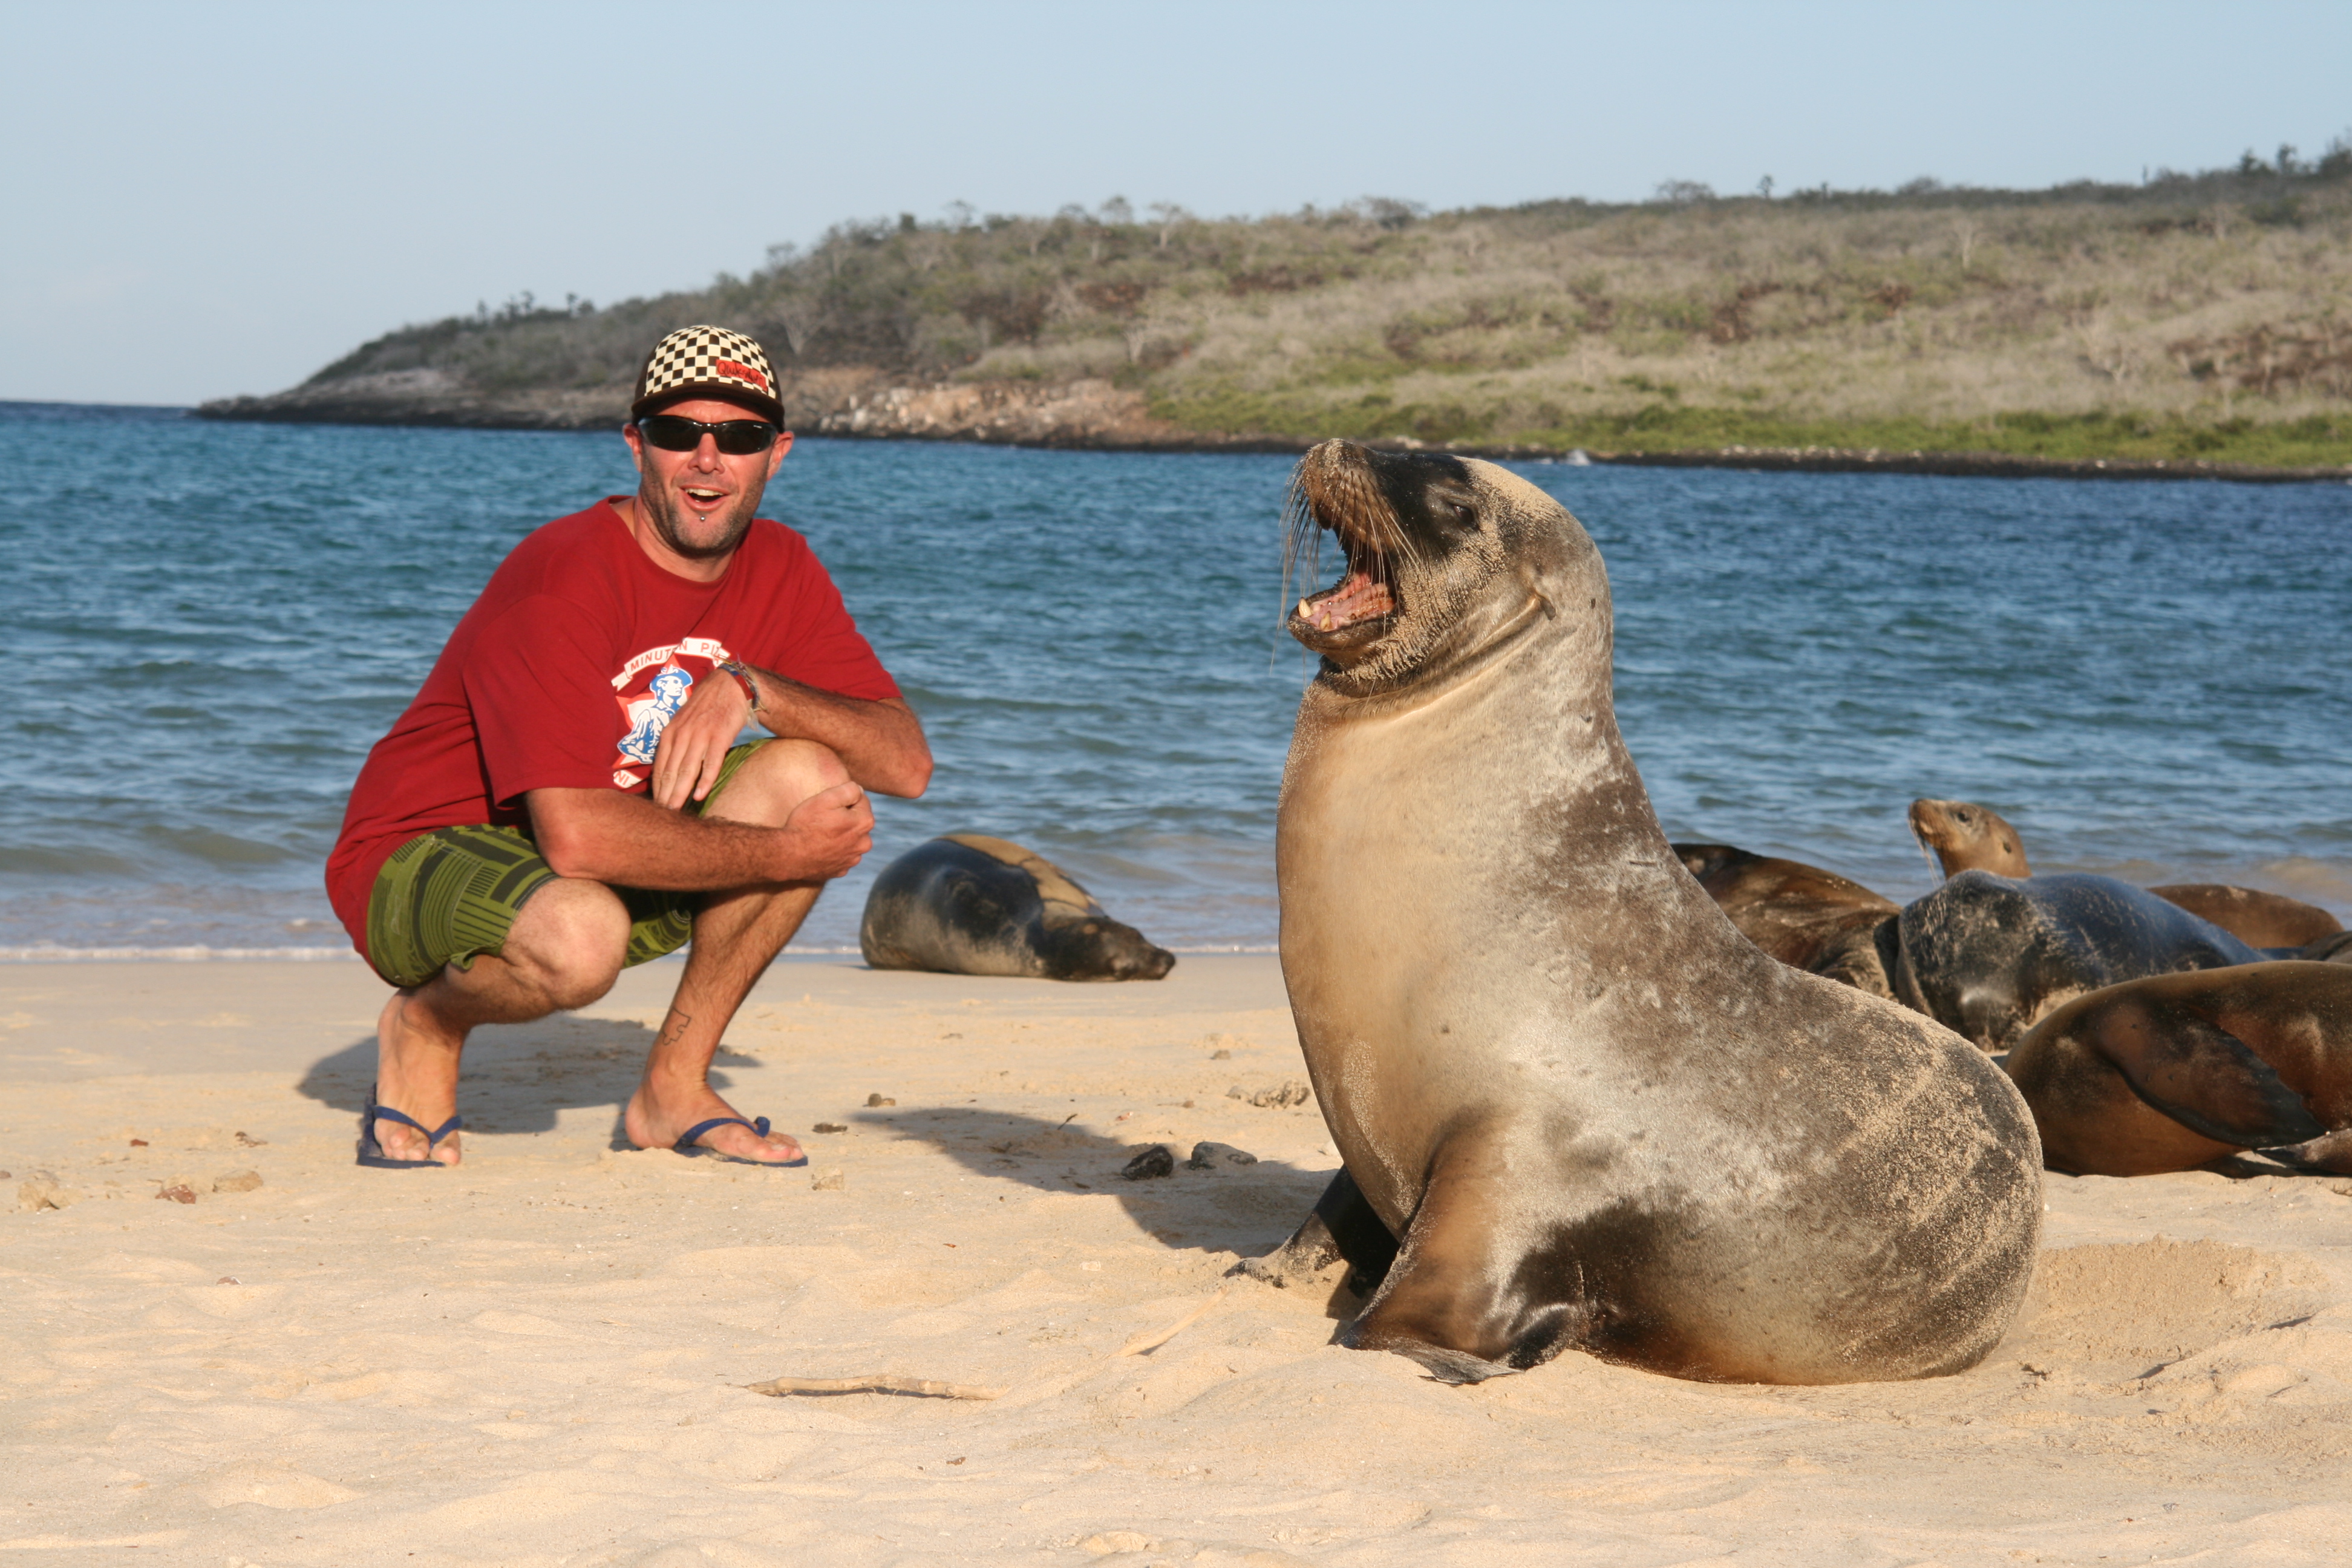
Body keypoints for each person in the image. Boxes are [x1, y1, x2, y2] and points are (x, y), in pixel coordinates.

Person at [324, 325, 930, 1169]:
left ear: (778, 453)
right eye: (682, 432)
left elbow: (903, 764)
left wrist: (752, 688)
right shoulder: (563, 575)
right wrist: (786, 855)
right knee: (582, 939)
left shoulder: (783, 564)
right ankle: (426, 1022)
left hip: (589, 846)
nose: (709, 458)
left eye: (741, 436)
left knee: (816, 781)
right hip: (419, 852)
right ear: (637, 445)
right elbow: (576, 837)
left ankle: (671, 1089)